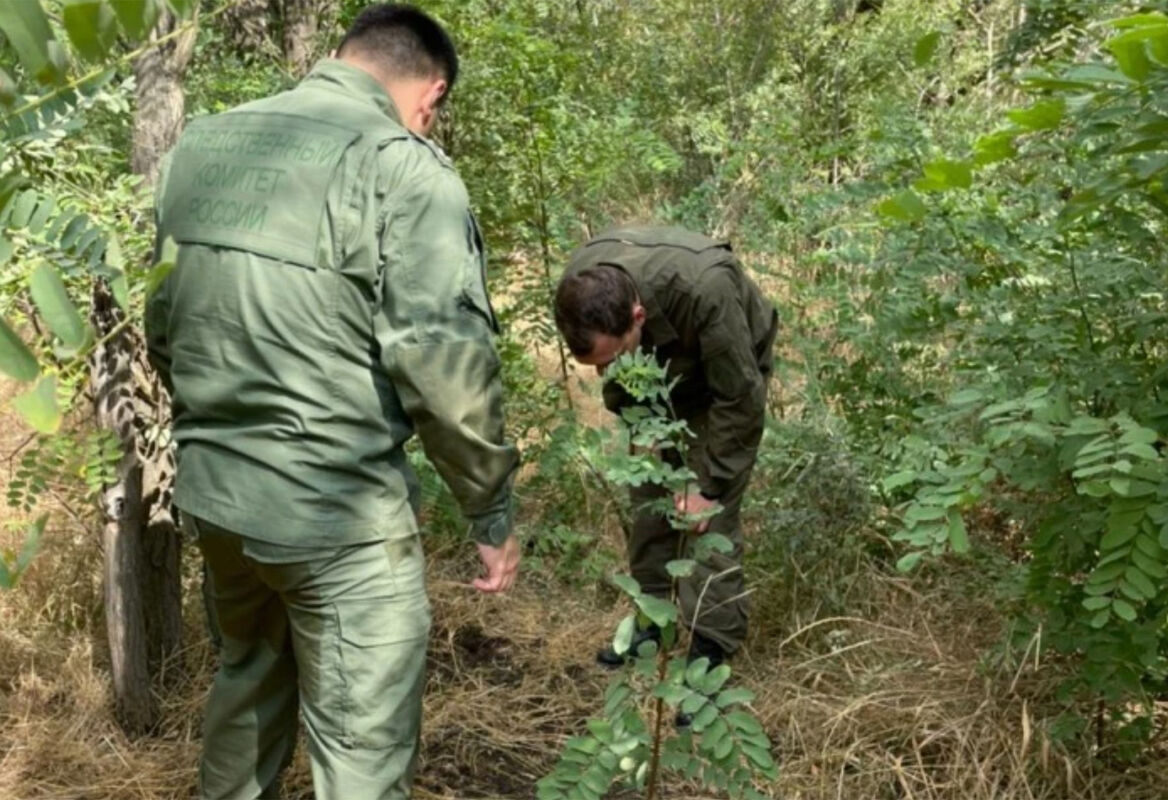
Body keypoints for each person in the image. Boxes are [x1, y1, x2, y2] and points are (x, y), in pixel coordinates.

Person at [145, 5, 520, 798]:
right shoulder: (403, 169)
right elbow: (443, 366)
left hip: (219, 500)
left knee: (247, 685)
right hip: (336, 520)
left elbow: (164, 324)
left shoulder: (204, 145)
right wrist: (490, 514)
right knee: (361, 753)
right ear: (431, 93)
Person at [554, 226, 777, 677]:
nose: (604, 374)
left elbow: (740, 399)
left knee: (705, 523)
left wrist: (709, 488)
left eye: (612, 359)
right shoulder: (576, 288)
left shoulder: (705, 289)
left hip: (726, 373)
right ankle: (653, 621)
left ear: (638, 316)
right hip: (654, 379)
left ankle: (711, 649)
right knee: (651, 502)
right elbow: (615, 372)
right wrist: (638, 418)